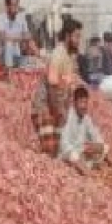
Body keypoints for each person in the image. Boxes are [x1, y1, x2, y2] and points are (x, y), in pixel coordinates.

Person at [33, 18, 84, 155]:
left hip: (58, 108)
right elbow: (53, 84)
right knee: (51, 150)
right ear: (67, 36)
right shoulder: (58, 54)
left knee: (62, 148)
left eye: (80, 36)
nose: (79, 40)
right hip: (46, 108)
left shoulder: (70, 56)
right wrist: (60, 111)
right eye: (76, 36)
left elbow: (68, 84)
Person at [59, 87, 109, 172]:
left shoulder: (86, 118)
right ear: (74, 103)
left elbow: (95, 135)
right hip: (69, 158)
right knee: (77, 160)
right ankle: (88, 172)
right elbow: (64, 146)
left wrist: (100, 146)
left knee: (103, 147)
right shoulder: (67, 117)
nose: (84, 106)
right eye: (81, 103)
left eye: (86, 102)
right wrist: (78, 160)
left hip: (82, 154)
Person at [0, 0, 36, 70]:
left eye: (16, 5)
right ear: (7, 5)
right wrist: (21, 37)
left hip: (17, 56)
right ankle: (9, 70)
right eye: (12, 5)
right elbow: (2, 36)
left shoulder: (21, 18)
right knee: (9, 43)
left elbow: (28, 36)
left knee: (30, 62)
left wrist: (35, 50)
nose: (15, 8)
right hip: (3, 57)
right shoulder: (0, 18)